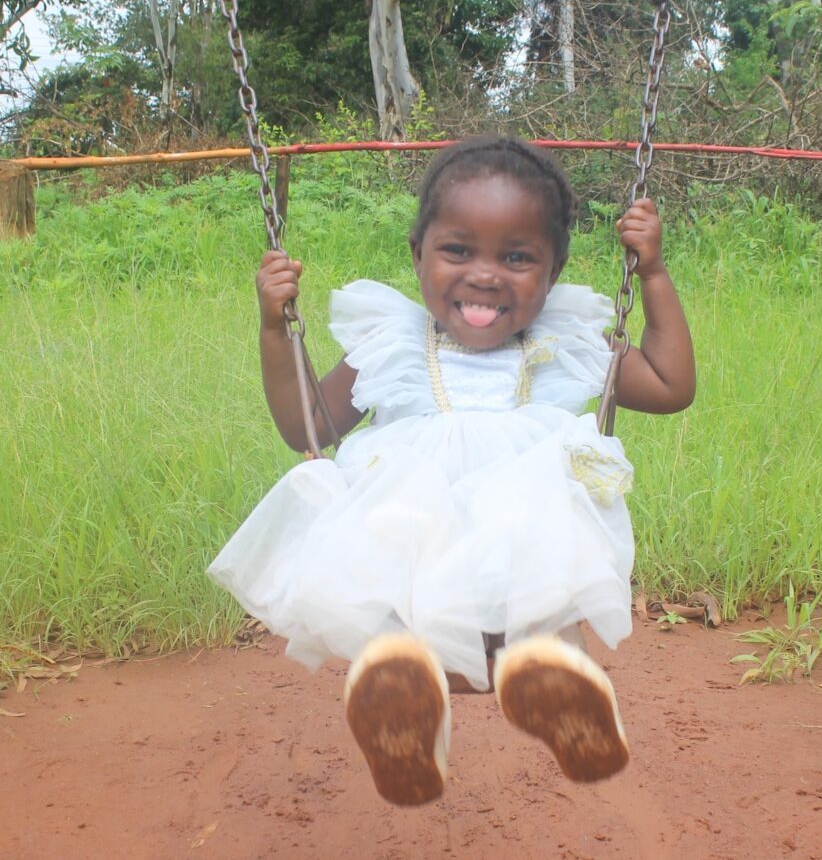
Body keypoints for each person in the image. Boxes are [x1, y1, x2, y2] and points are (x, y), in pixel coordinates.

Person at [209, 136, 696, 806]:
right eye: (458, 250)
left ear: (552, 274)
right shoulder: (393, 342)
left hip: (523, 519)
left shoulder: (567, 341)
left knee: (543, 545)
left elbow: (670, 384)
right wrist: (273, 327)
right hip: (417, 516)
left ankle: (553, 678)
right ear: (419, 255)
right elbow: (308, 427)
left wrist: (654, 275)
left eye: (517, 256)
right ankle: (406, 705)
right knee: (393, 558)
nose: (486, 274)